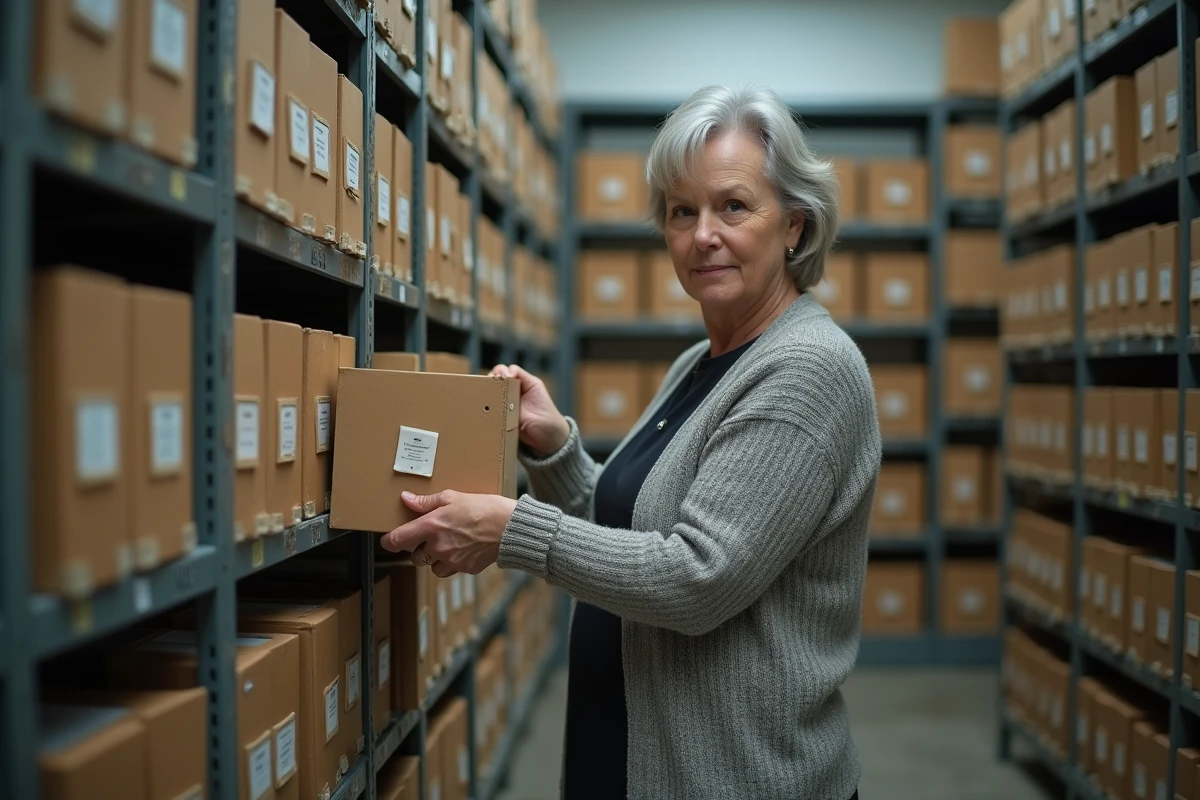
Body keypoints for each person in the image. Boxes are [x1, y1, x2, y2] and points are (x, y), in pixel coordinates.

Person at [383, 84, 880, 800]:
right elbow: (631, 528)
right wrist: (554, 451)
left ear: (795, 227)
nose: (703, 234)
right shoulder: (702, 361)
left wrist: (514, 528)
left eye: (733, 206)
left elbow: (696, 579)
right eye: (683, 211)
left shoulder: (808, 371)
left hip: (735, 777)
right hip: (630, 751)